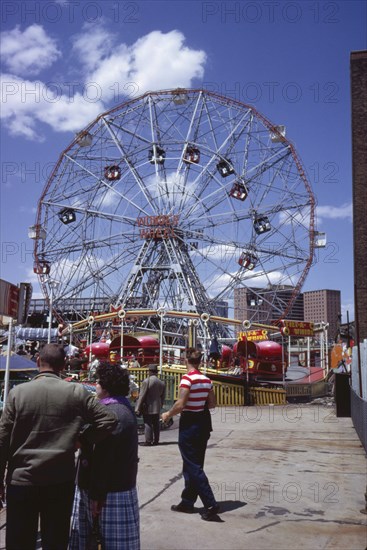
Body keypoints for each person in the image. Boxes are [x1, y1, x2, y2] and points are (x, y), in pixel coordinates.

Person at [0, 343, 118, 550]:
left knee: (19, 542)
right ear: (63, 365)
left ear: (38, 362)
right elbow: (108, 420)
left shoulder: (17, 393)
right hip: (59, 480)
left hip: (21, 480)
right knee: (55, 542)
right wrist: (83, 439)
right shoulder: (75, 391)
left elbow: (2, 439)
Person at [70, 363, 140, 550]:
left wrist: (96, 494)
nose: (96, 385)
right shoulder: (122, 408)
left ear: (107, 387)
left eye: (99, 382)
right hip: (114, 486)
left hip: (108, 491)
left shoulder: (113, 414)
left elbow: (104, 458)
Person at [161, 348, 220, 521]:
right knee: (192, 464)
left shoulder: (187, 379)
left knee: (193, 466)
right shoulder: (206, 380)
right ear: (200, 361)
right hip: (203, 424)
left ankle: (210, 503)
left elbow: (180, 404)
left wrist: (167, 415)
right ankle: (187, 502)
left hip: (189, 424)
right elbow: (212, 404)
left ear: (186, 360)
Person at [135, 364, 166, 446]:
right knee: (156, 423)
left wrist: (137, 408)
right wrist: (161, 404)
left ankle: (148, 440)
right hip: (157, 406)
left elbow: (142, 395)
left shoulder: (146, 381)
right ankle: (156, 440)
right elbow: (163, 396)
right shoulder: (161, 383)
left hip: (148, 406)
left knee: (148, 423)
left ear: (149, 372)